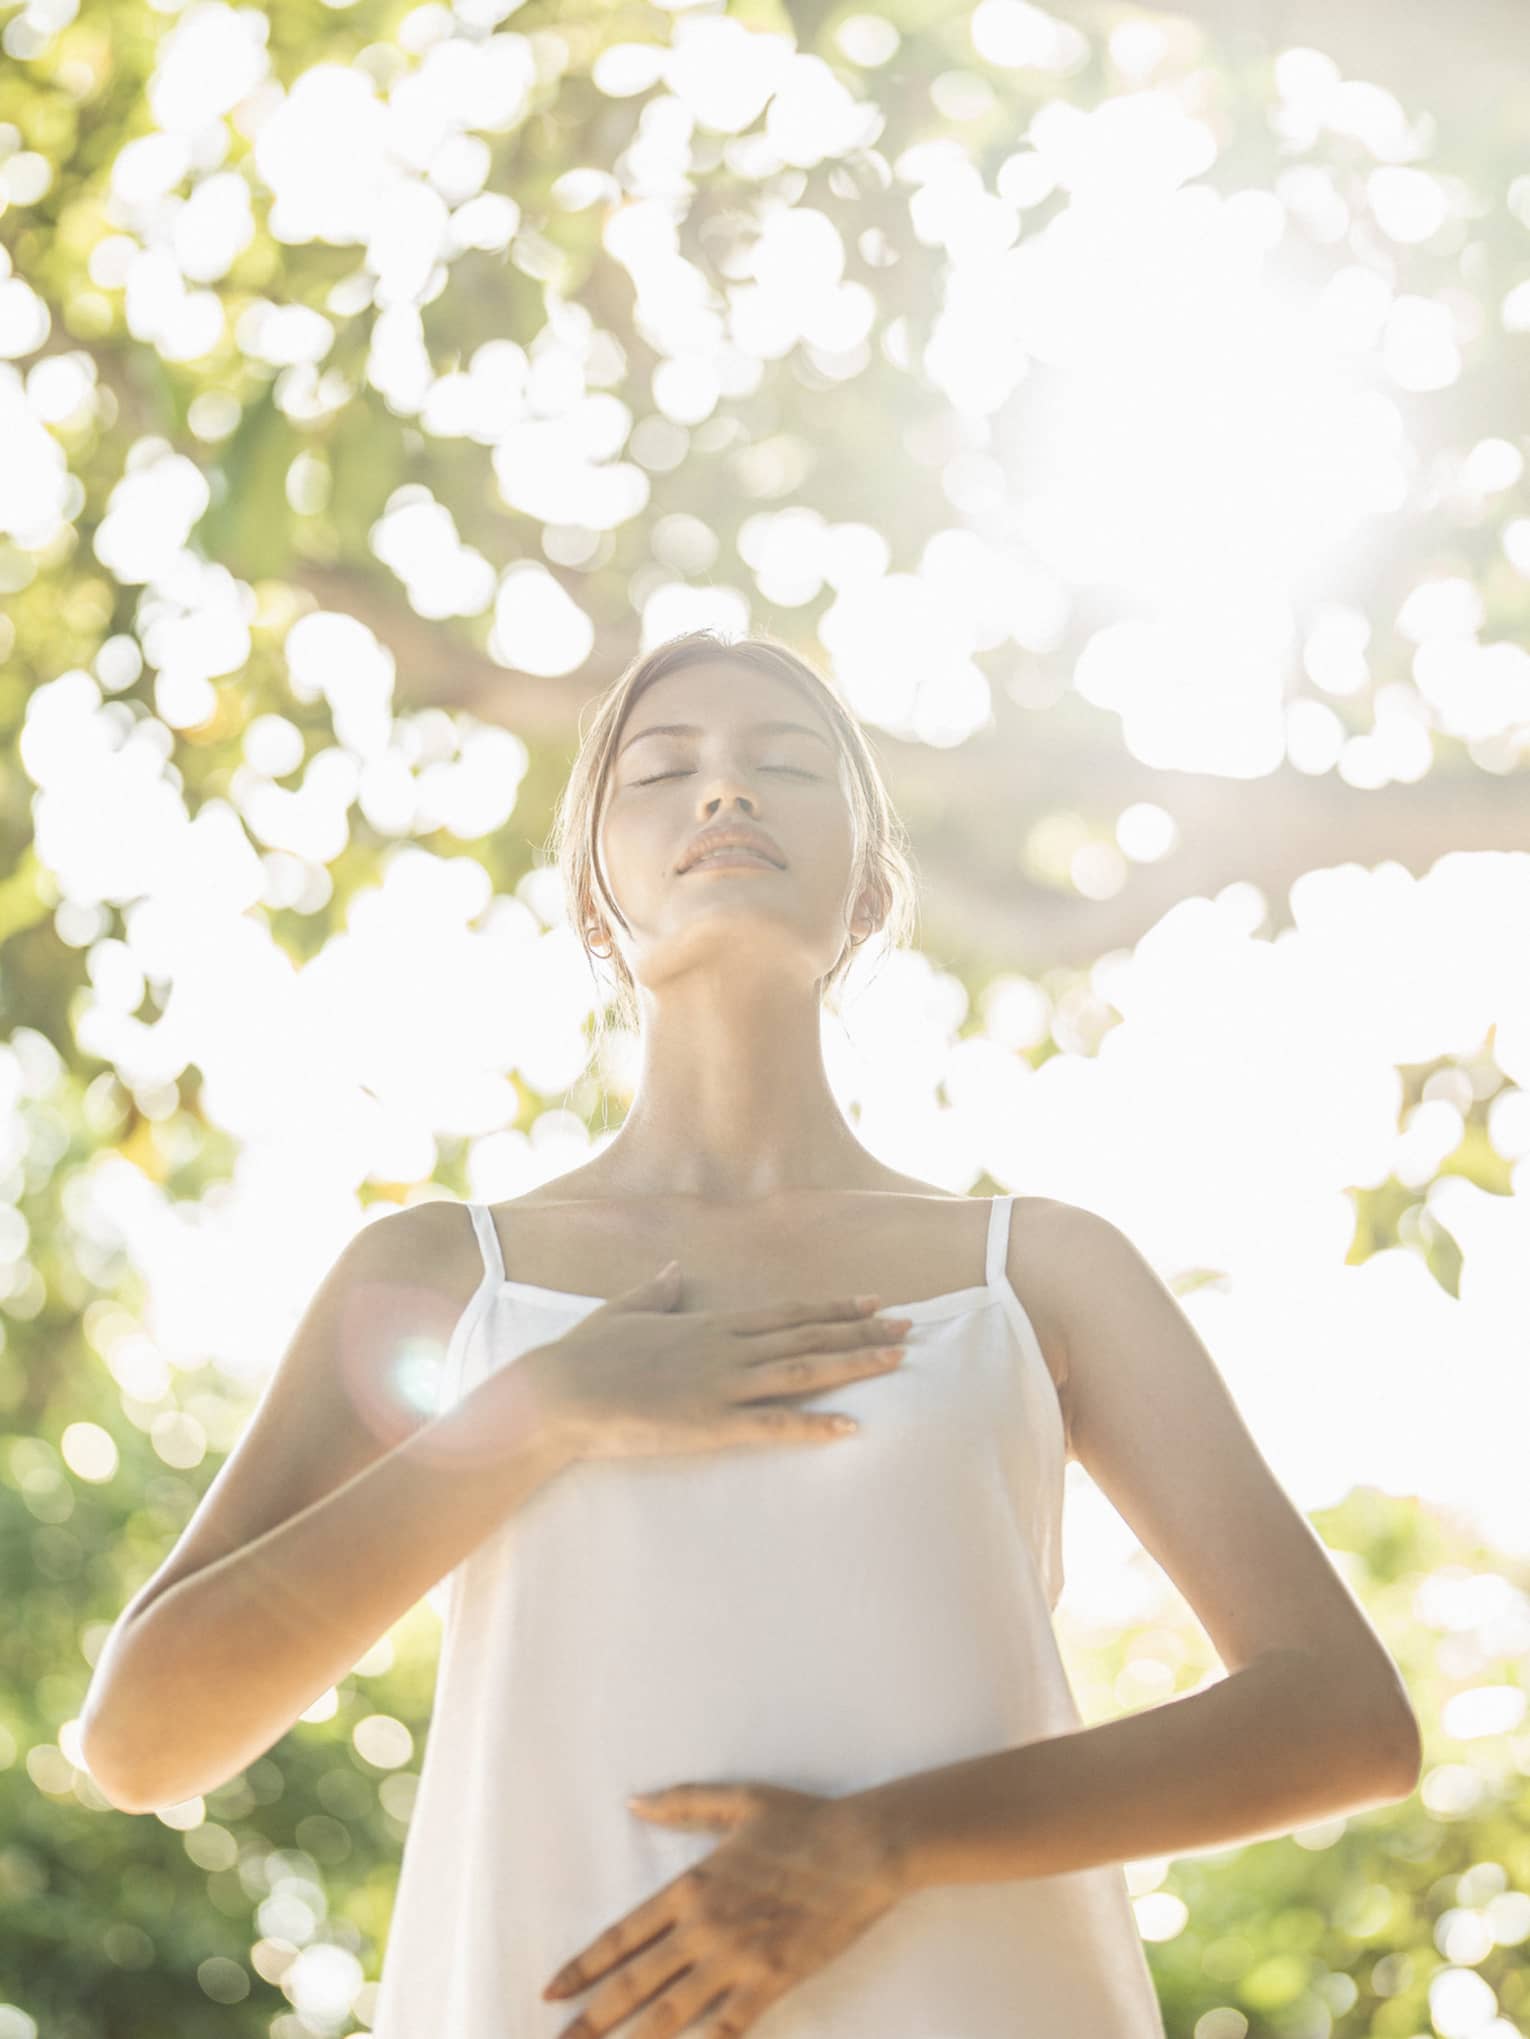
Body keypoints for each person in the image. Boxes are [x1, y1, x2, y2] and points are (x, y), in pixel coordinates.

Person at [81, 628, 1420, 2038]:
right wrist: (536, 1415)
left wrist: (875, 1845)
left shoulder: (1041, 1271)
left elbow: (1339, 1720)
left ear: (868, 893)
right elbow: (144, 1739)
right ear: (594, 898)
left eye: (785, 766)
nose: (725, 795)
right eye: (662, 772)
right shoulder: (431, 1271)